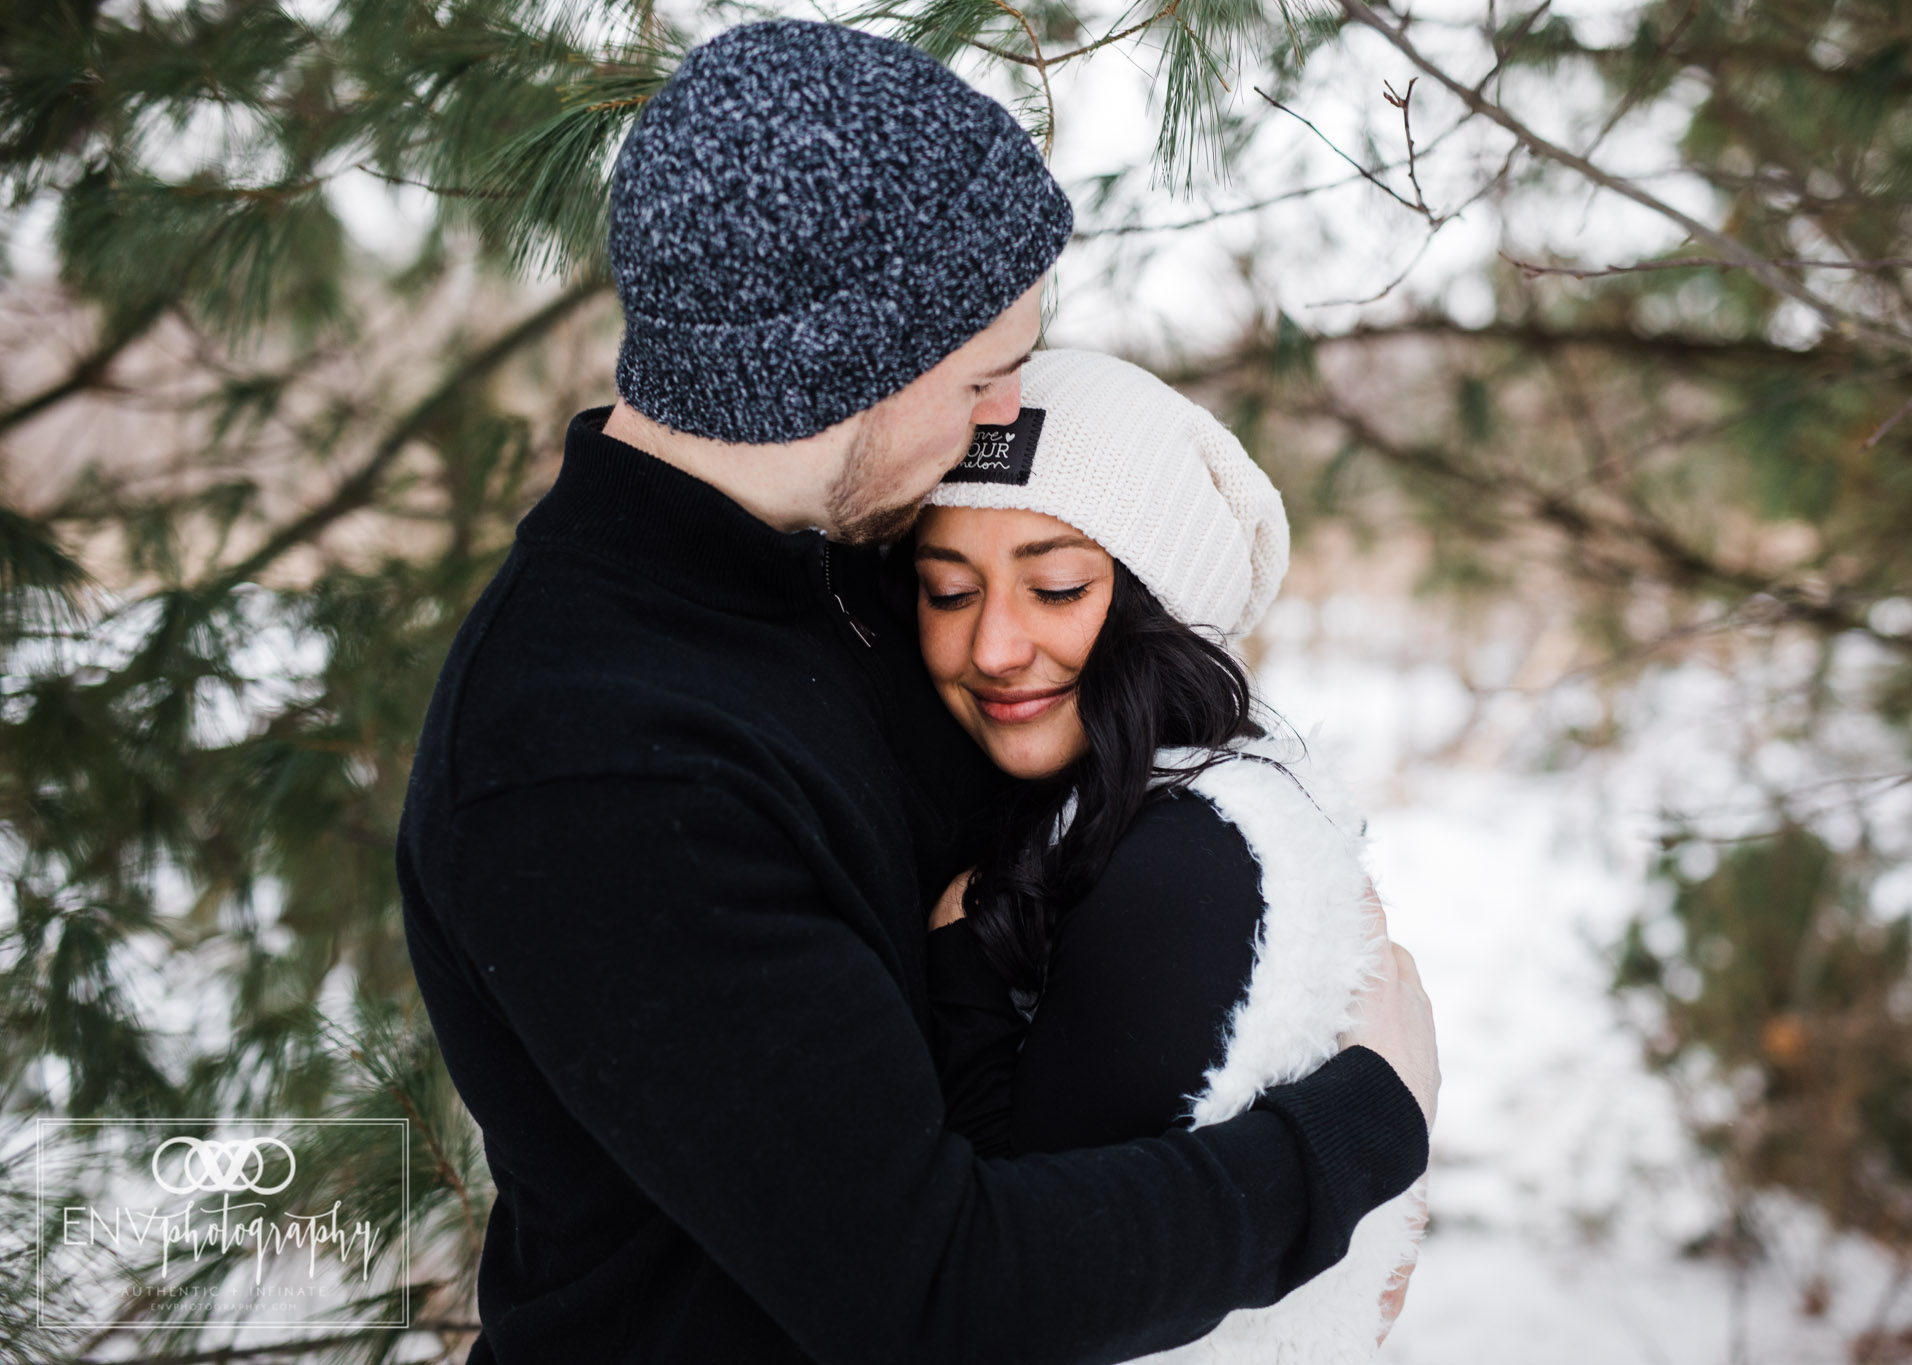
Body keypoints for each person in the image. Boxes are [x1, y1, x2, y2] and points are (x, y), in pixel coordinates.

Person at [395, 18, 1439, 1364]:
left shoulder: (846, 580)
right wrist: (1352, 1144)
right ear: (842, 370)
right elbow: (934, 1291)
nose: (1001, 416)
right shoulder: (597, 757)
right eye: (983, 376)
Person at [912, 349, 1430, 1361]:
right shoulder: (1113, 818)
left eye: (1055, 587)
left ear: (1160, 605)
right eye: (946, 592)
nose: (993, 646)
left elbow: (1034, 1292)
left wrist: (957, 967)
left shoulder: (1181, 862)